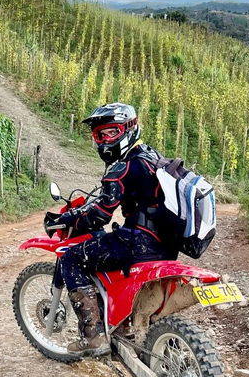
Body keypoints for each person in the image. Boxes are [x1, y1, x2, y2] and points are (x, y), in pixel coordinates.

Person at [54, 103, 177, 357]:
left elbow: (100, 214)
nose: (104, 141)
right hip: (165, 244)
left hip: (139, 244)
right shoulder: (150, 155)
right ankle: (120, 322)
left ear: (128, 129)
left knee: (71, 258)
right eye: (99, 135)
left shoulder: (124, 168)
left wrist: (68, 219)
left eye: (110, 133)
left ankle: (94, 337)